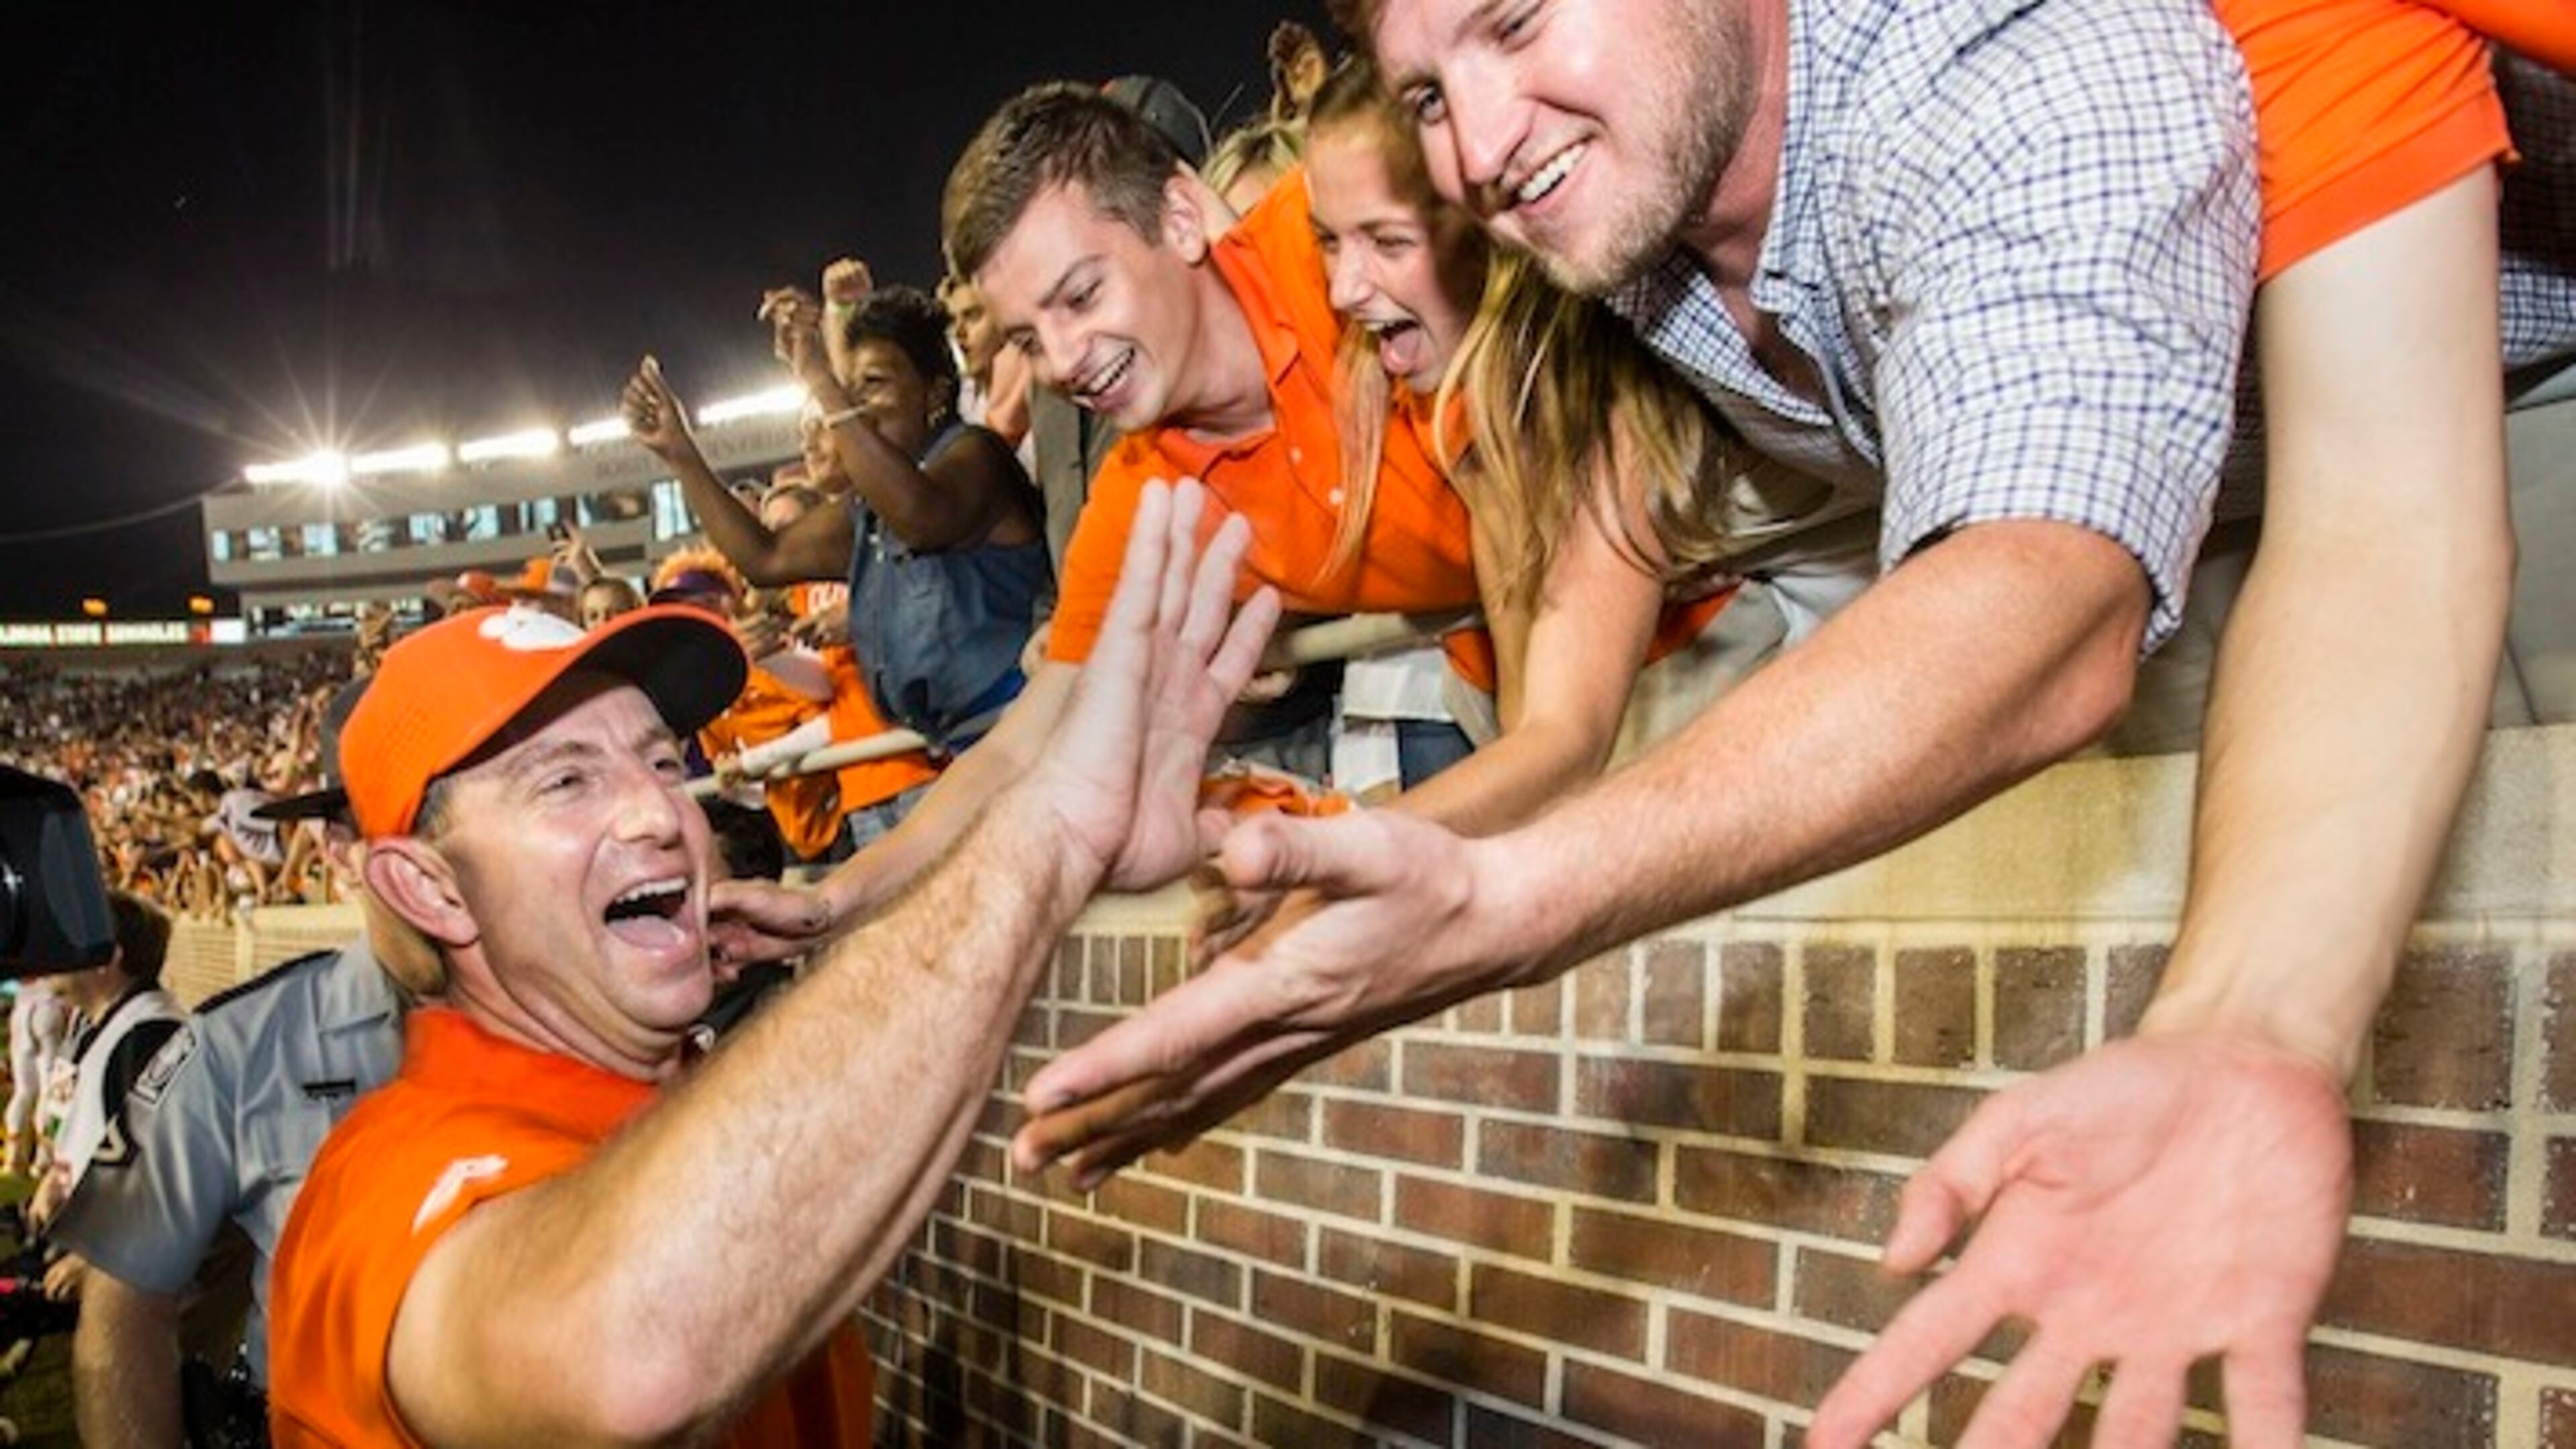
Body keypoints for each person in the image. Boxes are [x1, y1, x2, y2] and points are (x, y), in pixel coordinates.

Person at [1006, 3, 2575, 1448]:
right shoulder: (1619, 181)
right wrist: (2249, 1022)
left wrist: (1516, 891)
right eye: (1428, 88)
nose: (1476, 145)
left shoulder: (1988, 59)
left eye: (1516, 19)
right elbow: (2366, 512)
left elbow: (2089, 574)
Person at [262, 480, 1275, 1446]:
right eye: (565, 780)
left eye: (662, 762)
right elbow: (627, 1358)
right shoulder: (385, 1174)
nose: (658, 811)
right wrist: (1044, 840)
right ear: (429, 890)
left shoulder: (675, 1091)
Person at [55, 678, 407, 1448]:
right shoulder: (233, 1045)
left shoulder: (615, 1013)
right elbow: (122, 1304)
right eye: (413, 811)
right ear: (340, 851)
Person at [623, 283, 1049, 752]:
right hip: (964, 743)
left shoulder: (977, 455)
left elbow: (922, 518)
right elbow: (766, 558)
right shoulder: (868, 509)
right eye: (848, 391)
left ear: (935, 392)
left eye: (874, 383)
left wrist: (821, 380)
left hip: (1030, 721)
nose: (855, 407)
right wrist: (681, 454)